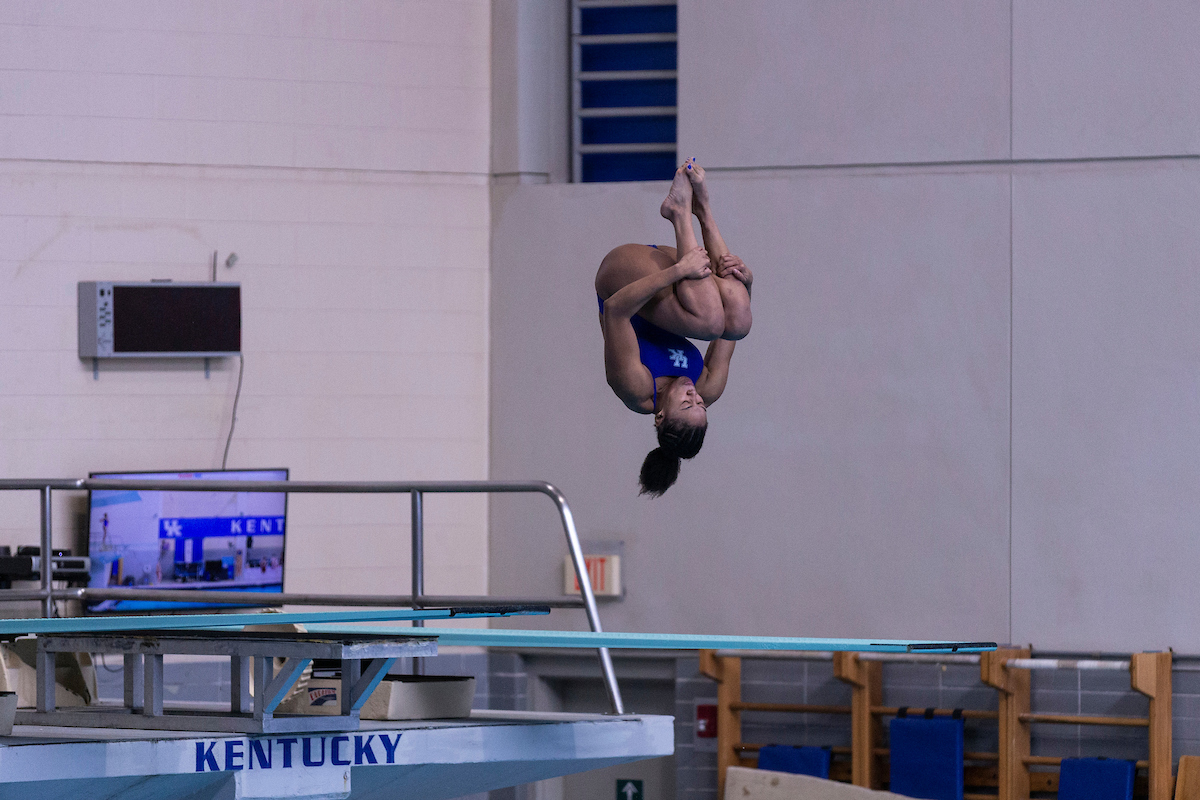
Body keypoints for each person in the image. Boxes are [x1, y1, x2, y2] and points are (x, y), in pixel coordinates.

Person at [595, 159, 753, 496]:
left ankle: (679, 212)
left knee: (710, 321)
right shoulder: (708, 387)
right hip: (678, 281)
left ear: (660, 416)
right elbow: (731, 329)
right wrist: (744, 284)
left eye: (686, 403)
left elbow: (616, 311)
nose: (695, 395)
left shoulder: (636, 389)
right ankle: (703, 210)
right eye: (700, 405)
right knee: (738, 320)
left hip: (622, 277)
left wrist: (678, 271)